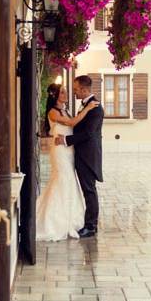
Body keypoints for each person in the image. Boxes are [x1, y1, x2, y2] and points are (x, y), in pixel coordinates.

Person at [36, 83, 99, 241]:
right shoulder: (53, 112)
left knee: (70, 181)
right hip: (60, 151)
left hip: (69, 150)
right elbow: (72, 123)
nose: (67, 94)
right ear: (55, 96)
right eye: (63, 92)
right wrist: (87, 108)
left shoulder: (66, 110)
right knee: (62, 180)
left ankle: (71, 218)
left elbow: (76, 125)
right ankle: (54, 221)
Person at [55, 75, 104, 238]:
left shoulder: (96, 108)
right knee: (87, 189)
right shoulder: (86, 106)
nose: (74, 92)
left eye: (76, 89)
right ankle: (90, 224)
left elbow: (88, 133)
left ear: (84, 89)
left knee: (89, 190)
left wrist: (66, 140)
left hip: (88, 156)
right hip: (81, 154)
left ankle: (91, 226)